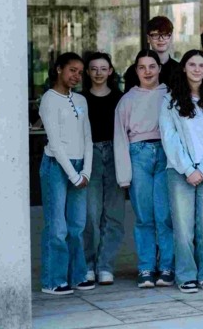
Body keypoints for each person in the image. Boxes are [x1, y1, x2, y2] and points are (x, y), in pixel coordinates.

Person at [160, 51, 203, 294]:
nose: (197, 68)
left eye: (202, 65)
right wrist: (189, 169)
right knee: (183, 227)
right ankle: (186, 275)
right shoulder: (170, 101)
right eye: (192, 64)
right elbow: (169, 139)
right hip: (181, 173)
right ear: (184, 68)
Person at [114, 50, 175, 289]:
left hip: (165, 153)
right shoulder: (127, 100)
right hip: (137, 154)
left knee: (164, 216)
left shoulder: (170, 95)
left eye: (152, 66)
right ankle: (146, 267)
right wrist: (123, 176)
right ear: (136, 70)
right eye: (142, 67)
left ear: (159, 68)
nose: (148, 71)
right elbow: (120, 138)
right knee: (144, 217)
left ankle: (167, 267)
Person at [38, 53, 94, 295]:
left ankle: (77, 276)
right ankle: (53, 280)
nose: (76, 76)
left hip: (80, 167)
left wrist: (86, 171)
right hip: (56, 167)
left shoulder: (81, 100)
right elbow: (55, 143)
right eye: (72, 70)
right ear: (59, 69)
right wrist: (73, 175)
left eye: (80, 72)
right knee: (57, 227)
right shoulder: (48, 100)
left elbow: (87, 138)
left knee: (77, 226)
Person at [80, 52, 123, 286]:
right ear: (88, 72)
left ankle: (106, 266)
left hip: (116, 154)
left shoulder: (121, 98)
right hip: (91, 155)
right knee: (90, 214)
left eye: (103, 68)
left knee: (114, 214)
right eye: (94, 69)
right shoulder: (80, 99)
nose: (98, 73)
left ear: (110, 71)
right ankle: (88, 264)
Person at [123, 15, 179, 90]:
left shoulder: (180, 70)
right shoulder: (133, 71)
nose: (161, 39)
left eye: (165, 35)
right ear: (148, 39)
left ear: (171, 38)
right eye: (155, 35)